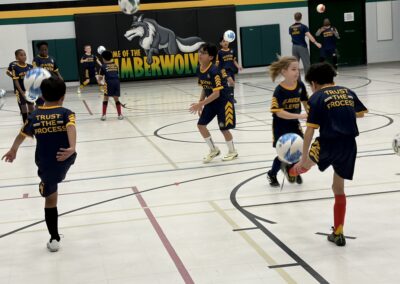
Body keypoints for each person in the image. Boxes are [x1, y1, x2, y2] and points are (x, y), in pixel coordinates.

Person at [282, 62, 368, 246]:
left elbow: (310, 131)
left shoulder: (316, 98)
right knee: (338, 189)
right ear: (332, 78)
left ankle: (291, 171)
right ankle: (338, 232)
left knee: (303, 166)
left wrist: (304, 158)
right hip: (348, 146)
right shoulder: (348, 92)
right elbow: (360, 114)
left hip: (327, 144)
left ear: (313, 83)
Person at [2, 75, 77, 252]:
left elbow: (22, 134)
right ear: (63, 96)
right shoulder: (67, 113)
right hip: (66, 158)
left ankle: (54, 238)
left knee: (50, 199)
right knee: (54, 187)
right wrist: (72, 147)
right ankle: (50, 183)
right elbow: (70, 127)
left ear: (41, 95)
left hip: (45, 163)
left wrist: (13, 149)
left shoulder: (34, 116)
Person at [189, 43, 238, 163]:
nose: (200, 54)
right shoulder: (199, 69)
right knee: (201, 125)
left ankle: (233, 151)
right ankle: (213, 150)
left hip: (223, 102)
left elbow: (217, 93)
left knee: (224, 128)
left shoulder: (214, 71)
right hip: (211, 102)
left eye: (204, 53)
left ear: (210, 57)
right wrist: (200, 102)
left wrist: (200, 105)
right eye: (200, 52)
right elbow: (205, 88)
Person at [267, 56, 308, 187]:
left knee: (299, 150)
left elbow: (307, 103)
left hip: (294, 124)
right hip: (281, 125)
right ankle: (272, 174)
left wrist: (313, 115)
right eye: (293, 69)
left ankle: (291, 170)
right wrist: (299, 116)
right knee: (283, 154)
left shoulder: (300, 85)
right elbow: (279, 112)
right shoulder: (279, 90)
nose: (297, 72)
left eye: (298, 69)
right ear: (284, 71)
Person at [33, 41, 63, 106]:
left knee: (53, 100)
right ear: (39, 50)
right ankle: (37, 114)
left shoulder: (52, 59)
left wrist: (61, 79)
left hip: (52, 83)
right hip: (42, 83)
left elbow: (56, 71)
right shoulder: (36, 59)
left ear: (47, 49)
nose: (44, 51)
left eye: (45, 49)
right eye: (42, 50)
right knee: (40, 102)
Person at [10, 49, 34, 123]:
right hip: (20, 91)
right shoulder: (15, 68)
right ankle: (25, 124)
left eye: (24, 54)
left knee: (31, 107)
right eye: (21, 55)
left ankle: (31, 123)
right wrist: (22, 92)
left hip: (29, 90)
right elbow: (16, 81)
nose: (24, 56)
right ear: (17, 58)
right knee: (24, 108)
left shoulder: (30, 66)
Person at [98, 50, 123, 120]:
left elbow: (100, 78)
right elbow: (116, 74)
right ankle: (120, 115)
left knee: (105, 98)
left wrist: (99, 81)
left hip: (108, 83)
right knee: (116, 99)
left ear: (103, 58)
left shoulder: (103, 66)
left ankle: (103, 115)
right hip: (116, 82)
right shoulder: (115, 65)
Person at [217, 37, 243, 103]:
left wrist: (238, 66)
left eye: (226, 41)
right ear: (220, 43)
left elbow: (234, 61)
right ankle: (230, 98)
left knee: (232, 84)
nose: (225, 42)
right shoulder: (219, 52)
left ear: (229, 42)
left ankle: (231, 97)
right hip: (223, 70)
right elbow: (217, 63)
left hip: (231, 70)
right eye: (223, 41)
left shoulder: (232, 51)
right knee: (231, 82)